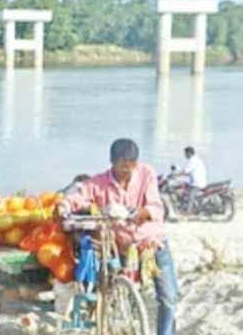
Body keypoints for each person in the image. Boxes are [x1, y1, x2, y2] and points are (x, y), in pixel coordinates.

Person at [57, 139, 178, 335]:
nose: (126, 171)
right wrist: (64, 206)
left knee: (168, 297)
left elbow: (156, 206)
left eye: (130, 167)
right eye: (121, 167)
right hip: (122, 245)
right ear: (112, 162)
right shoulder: (99, 183)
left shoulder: (146, 174)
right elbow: (77, 196)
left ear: (136, 164)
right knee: (114, 287)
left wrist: (139, 214)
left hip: (152, 243)